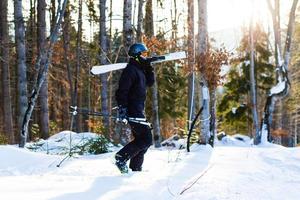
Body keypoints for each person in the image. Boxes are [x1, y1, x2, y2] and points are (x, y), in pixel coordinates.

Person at [114, 43, 155, 173]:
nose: (145, 56)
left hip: (138, 109)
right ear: (136, 55)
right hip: (132, 110)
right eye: (143, 54)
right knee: (146, 139)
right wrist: (122, 108)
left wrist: (149, 68)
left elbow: (150, 83)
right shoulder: (130, 70)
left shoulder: (140, 70)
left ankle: (135, 168)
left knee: (141, 140)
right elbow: (122, 91)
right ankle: (121, 157)